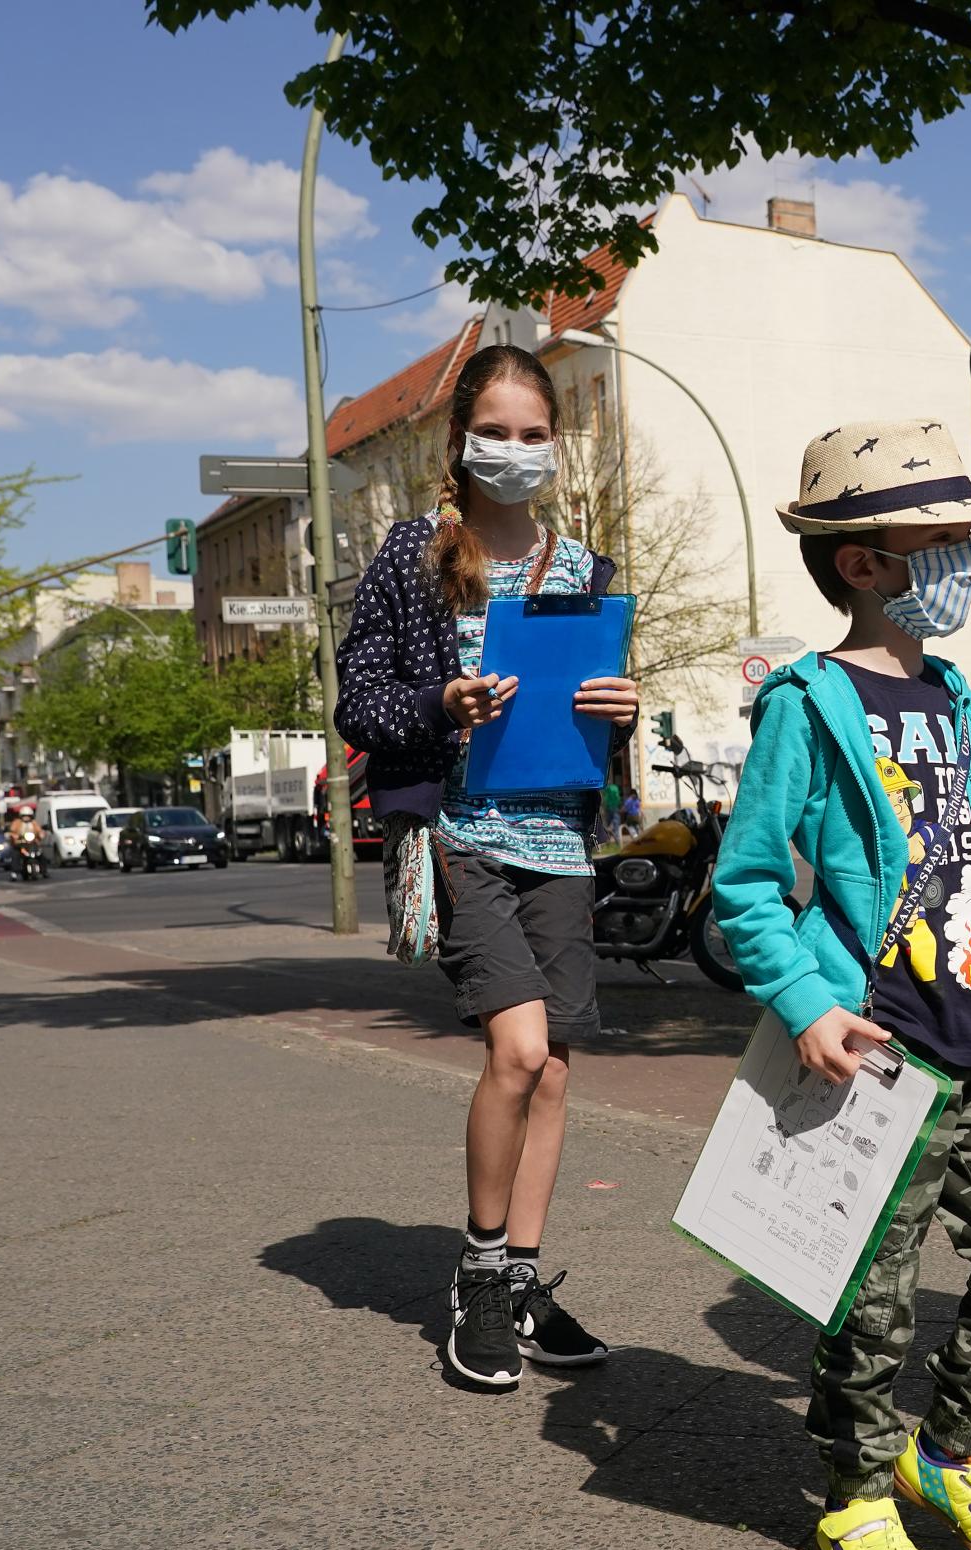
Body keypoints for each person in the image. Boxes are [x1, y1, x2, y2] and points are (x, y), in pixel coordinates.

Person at [714, 420, 971, 1550]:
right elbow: (748, 884)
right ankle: (856, 1496)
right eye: (941, 541)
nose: (963, 560)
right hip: (878, 1053)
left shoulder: (954, 698)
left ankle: (951, 1453)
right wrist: (809, 1002)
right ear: (862, 561)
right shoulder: (807, 706)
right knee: (867, 1298)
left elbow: (970, 864)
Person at [334, 343, 640, 1390]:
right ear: (460, 439)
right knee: (514, 1050)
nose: (514, 450)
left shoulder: (584, 572)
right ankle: (475, 1273)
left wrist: (622, 712)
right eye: (496, 431)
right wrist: (441, 702)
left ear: (557, 444)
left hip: (561, 841)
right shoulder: (418, 552)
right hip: (461, 835)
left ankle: (521, 1277)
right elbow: (358, 698)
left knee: (554, 1066)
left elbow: (598, 727)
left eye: (533, 434)